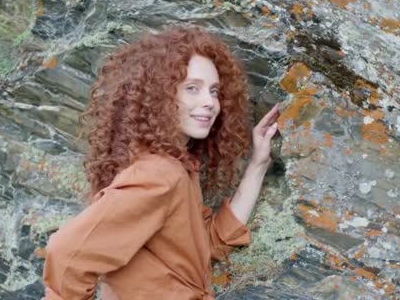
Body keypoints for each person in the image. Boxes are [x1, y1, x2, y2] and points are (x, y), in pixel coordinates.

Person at [42, 26, 281, 300]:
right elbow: (67, 254)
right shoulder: (160, 173)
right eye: (192, 88)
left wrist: (258, 165)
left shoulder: (174, 168)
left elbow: (204, 246)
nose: (210, 102)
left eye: (214, 91)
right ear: (161, 95)